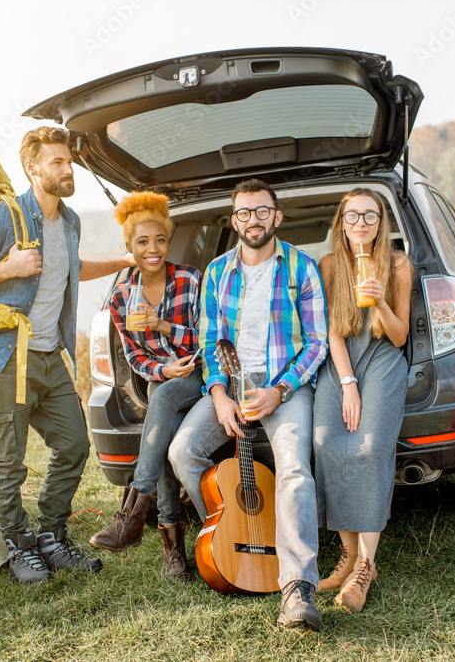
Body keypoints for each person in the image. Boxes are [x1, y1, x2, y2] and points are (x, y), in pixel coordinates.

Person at [0, 126, 132, 585]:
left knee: (75, 445)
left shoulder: (71, 221)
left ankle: (51, 536)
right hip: (5, 357)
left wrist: (122, 263)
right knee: (8, 461)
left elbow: (71, 268)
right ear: (32, 167)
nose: (68, 170)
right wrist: (9, 267)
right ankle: (16, 544)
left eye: (69, 162)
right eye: (58, 162)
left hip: (49, 356)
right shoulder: (3, 218)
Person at [167, 178, 329, 631]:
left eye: (262, 211)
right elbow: (210, 340)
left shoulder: (301, 268)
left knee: (294, 465)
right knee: (182, 452)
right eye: (243, 212)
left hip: (284, 387)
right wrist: (219, 395)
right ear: (233, 219)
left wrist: (281, 390)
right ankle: (232, 537)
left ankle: (297, 586)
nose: (252, 220)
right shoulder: (217, 273)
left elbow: (317, 344)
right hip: (231, 387)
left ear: (276, 216)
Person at [89, 191, 203, 581]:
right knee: (165, 433)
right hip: (163, 381)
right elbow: (135, 358)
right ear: (129, 247)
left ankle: (132, 514)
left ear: (168, 242)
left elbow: (206, 339)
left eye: (160, 240)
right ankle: (174, 555)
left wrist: (162, 326)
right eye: (142, 242)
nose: (152, 249)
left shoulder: (190, 279)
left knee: (164, 401)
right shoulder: (121, 297)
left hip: (199, 374)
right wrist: (161, 370)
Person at [313, 187, 413, 612]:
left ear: (381, 220)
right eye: (352, 216)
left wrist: (381, 305)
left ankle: (365, 568)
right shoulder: (330, 265)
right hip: (342, 364)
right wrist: (347, 382)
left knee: (370, 447)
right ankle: (348, 554)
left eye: (369, 216)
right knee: (326, 442)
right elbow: (332, 330)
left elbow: (400, 335)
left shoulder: (398, 264)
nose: (361, 224)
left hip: (384, 360)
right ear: (341, 221)